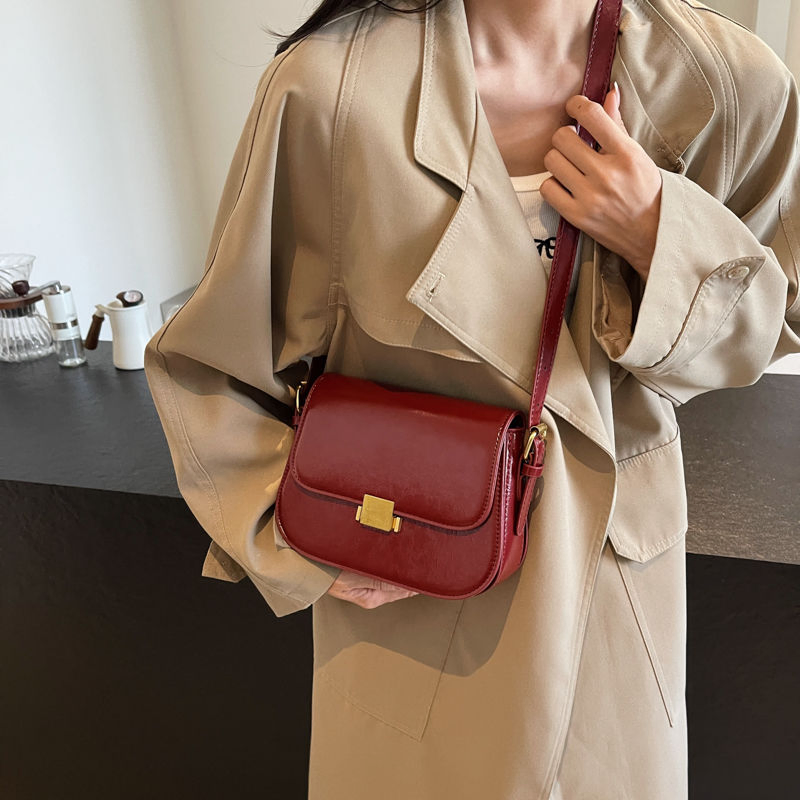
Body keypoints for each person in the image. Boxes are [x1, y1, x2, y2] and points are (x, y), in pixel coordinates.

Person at [144, 0, 800, 797]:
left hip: (615, 606)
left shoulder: (724, 82)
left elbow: (775, 320)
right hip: (412, 593)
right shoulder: (331, 90)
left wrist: (659, 231)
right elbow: (214, 360)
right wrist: (293, 538)